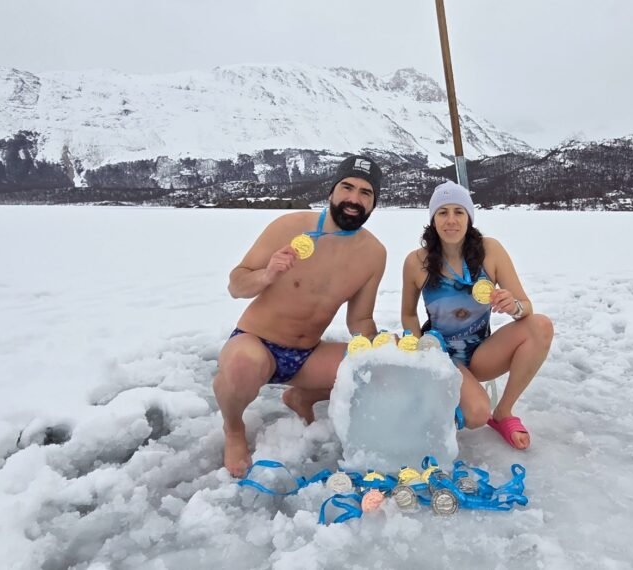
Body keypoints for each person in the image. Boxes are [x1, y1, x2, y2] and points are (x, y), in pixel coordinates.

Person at [214, 155, 387, 476]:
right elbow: (236, 284)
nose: (354, 198)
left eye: (366, 192)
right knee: (242, 366)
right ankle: (233, 428)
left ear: (373, 203)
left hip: (307, 356)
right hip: (255, 343)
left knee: (375, 370)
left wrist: (380, 347)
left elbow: (359, 320)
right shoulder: (290, 227)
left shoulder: (374, 254)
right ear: (332, 191)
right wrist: (266, 275)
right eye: (347, 187)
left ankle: (301, 397)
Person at [400, 181, 554, 450]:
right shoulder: (417, 262)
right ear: (433, 219)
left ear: (469, 217)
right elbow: (408, 314)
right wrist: (418, 354)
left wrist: (513, 306)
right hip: (441, 355)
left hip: (482, 352)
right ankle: (439, 404)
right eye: (442, 212)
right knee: (476, 414)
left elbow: (525, 306)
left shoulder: (490, 251)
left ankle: (503, 412)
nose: (451, 220)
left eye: (458, 212)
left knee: (540, 326)